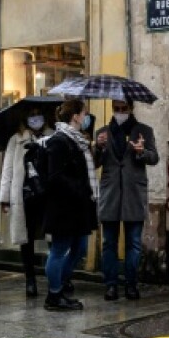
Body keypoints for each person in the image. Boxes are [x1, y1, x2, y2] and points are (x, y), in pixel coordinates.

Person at [94, 99, 159, 301]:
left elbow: (154, 157)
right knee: (108, 244)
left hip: (133, 193)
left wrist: (142, 152)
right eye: (116, 109)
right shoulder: (103, 132)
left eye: (123, 109)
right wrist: (98, 147)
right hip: (110, 193)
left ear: (131, 109)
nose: (119, 112)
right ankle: (111, 285)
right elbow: (95, 163)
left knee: (134, 243)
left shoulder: (144, 131)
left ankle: (131, 284)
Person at [41, 99, 98, 311]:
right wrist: (79, 188)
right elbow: (55, 176)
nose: (86, 118)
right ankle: (54, 294)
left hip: (78, 207)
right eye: (84, 114)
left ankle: (61, 285)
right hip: (63, 208)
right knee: (59, 250)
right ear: (75, 116)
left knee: (80, 248)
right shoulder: (59, 141)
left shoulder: (78, 140)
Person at [0, 109, 50, 297]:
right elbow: (7, 169)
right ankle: (30, 279)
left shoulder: (52, 136)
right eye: (32, 114)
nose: (35, 118)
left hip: (46, 194)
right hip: (24, 194)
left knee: (52, 234)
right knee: (25, 238)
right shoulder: (17, 139)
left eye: (39, 114)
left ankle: (56, 276)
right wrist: (4, 198)